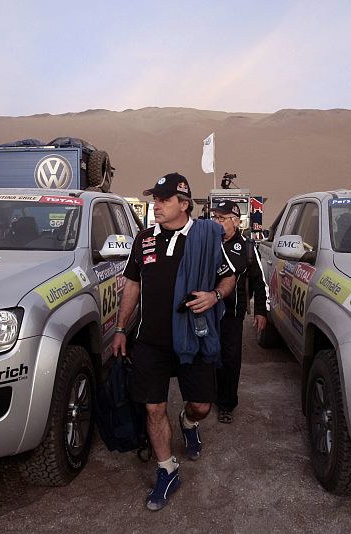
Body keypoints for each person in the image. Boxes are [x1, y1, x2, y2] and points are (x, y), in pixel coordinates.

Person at [112, 172, 235, 512]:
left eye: (164, 200)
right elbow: (132, 285)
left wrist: (214, 296)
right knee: (153, 407)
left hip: (193, 338)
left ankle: (189, 423)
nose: (156, 206)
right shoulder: (144, 239)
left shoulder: (206, 237)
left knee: (201, 405)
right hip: (150, 341)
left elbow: (228, 277)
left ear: (184, 204)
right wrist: (121, 328)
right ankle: (167, 470)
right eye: (155, 199)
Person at [211, 200, 269, 424]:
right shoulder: (208, 242)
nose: (217, 222)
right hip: (206, 311)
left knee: (230, 359)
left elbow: (259, 282)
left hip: (233, 314)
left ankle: (226, 404)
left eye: (222, 218)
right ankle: (206, 397)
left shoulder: (247, 247)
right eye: (215, 218)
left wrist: (261, 311)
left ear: (235, 221)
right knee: (207, 355)